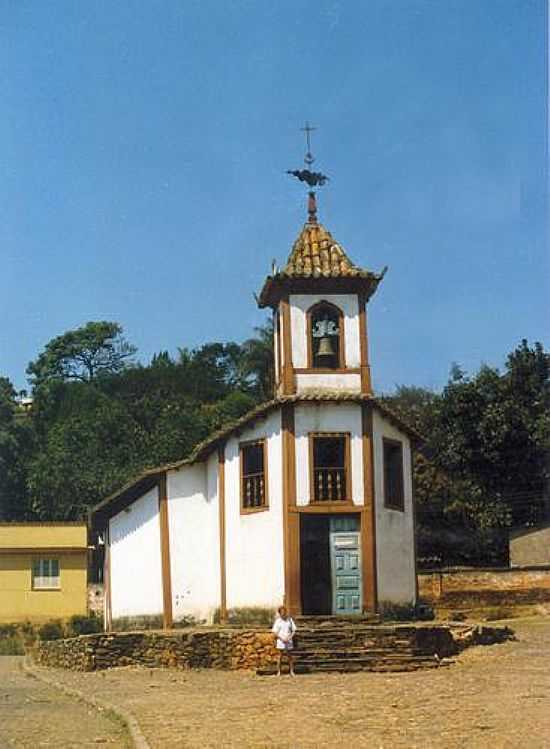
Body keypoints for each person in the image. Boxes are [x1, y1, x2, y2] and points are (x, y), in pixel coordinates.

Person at [272, 605, 297, 676]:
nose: (283, 613)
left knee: (290, 656)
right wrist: (281, 638)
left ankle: (291, 671)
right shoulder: (278, 621)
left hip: (288, 640)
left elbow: (294, 630)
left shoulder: (289, 620)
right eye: (281, 612)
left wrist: (289, 637)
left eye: (284, 611)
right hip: (281, 641)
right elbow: (275, 632)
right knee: (280, 656)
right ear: (279, 613)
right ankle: (279, 671)